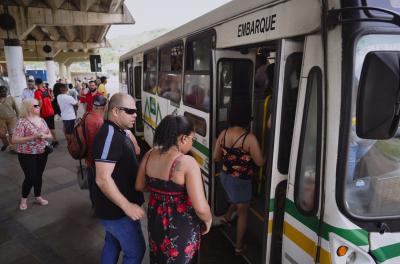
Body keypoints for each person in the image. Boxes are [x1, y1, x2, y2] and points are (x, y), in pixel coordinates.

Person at [136, 115, 212, 264]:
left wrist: (160, 193)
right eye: (192, 139)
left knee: (159, 256)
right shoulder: (186, 163)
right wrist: (208, 220)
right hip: (181, 226)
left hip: (156, 222)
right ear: (183, 138)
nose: (192, 142)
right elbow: (201, 207)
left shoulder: (149, 154)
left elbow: (139, 185)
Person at [93, 93, 145, 263]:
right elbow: (102, 178)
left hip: (113, 210)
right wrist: (127, 205)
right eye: (130, 111)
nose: (135, 115)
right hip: (117, 212)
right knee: (136, 252)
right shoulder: (110, 135)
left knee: (112, 243)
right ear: (115, 111)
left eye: (136, 111)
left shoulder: (118, 131)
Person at [213, 107, 265, 255]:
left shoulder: (223, 134)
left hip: (225, 177)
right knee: (243, 213)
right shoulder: (249, 138)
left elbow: (215, 158)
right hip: (241, 181)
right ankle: (239, 247)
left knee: (235, 198)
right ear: (247, 120)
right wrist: (266, 155)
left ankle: (227, 216)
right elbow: (260, 162)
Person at [12, 99, 52, 210]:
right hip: (26, 153)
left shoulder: (42, 120)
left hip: (42, 152)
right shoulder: (22, 122)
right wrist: (33, 137)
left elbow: (49, 134)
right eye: (36, 105)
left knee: (39, 175)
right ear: (28, 108)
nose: (38, 107)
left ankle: (38, 196)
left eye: (38, 105)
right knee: (30, 176)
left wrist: (45, 135)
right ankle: (23, 199)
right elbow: (14, 140)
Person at [84, 95, 107, 207]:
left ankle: (94, 203)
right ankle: (98, 206)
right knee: (99, 183)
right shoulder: (99, 122)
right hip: (97, 159)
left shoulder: (87, 116)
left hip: (88, 157)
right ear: (103, 107)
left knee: (92, 182)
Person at [34, 78, 58, 147]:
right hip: (51, 111)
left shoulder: (37, 92)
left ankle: (45, 143)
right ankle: (55, 140)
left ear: (36, 84)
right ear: (42, 83)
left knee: (44, 128)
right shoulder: (46, 90)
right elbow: (51, 98)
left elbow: (39, 102)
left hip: (44, 113)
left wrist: (37, 111)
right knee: (52, 127)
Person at [0, 86, 19, 151]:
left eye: (4, 91)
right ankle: (6, 144)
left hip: (12, 119)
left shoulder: (11, 98)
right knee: (2, 134)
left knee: (12, 133)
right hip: (1, 119)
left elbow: (16, 108)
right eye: (2, 92)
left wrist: (19, 117)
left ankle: (12, 148)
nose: (3, 93)